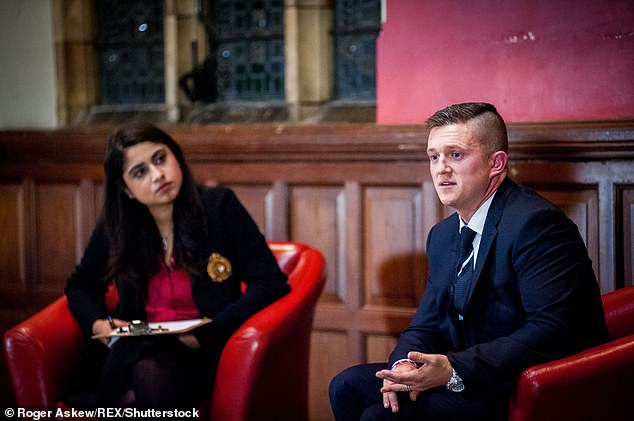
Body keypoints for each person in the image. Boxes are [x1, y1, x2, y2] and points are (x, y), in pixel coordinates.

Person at [329, 102, 609, 420]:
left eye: (456, 155)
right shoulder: (443, 234)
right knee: (346, 386)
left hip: (524, 382)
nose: (441, 168)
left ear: (496, 163)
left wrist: (453, 370)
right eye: (434, 156)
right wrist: (403, 366)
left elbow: (554, 329)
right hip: (472, 375)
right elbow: (426, 322)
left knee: (379, 417)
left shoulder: (537, 223)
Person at [63, 123, 289, 410]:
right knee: (142, 361)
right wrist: (99, 324)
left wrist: (205, 335)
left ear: (176, 157)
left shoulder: (220, 207)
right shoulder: (117, 225)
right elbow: (81, 285)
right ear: (126, 189)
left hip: (199, 353)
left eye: (160, 159)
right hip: (134, 353)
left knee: (134, 394)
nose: (158, 175)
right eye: (139, 172)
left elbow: (270, 283)